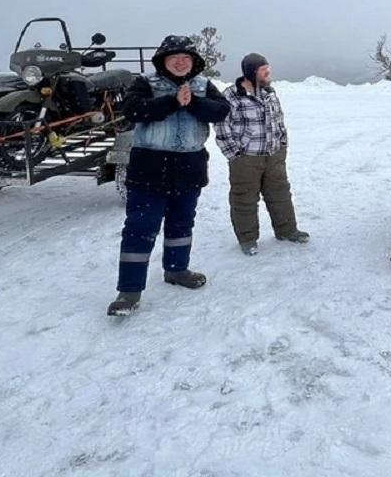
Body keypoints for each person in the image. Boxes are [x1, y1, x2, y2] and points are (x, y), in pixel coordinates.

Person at [107, 35, 231, 317]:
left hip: (189, 168)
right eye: (174, 57)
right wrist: (173, 102)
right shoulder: (145, 83)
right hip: (149, 168)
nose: (180, 61)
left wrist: (193, 104)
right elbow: (132, 110)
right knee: (140, 228)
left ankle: (177, 270)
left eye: (186, 57)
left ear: (194, 62)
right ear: (163, 61)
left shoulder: (202, 84)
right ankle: (129, 290)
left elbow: (222, 111)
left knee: (181, 223)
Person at [216, 53, 309, 255]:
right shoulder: (231, 96)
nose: (268, 71)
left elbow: (279, 120)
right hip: (246, 158)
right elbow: (222, 127)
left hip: (274, 155)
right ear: (251, 72)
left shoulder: (269, 93)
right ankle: (247, 239)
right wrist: (235, 154)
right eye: (263, 68)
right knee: (244, 199)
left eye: (268, 67)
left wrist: (282, 144)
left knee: (280, 193)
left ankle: (287, 230)